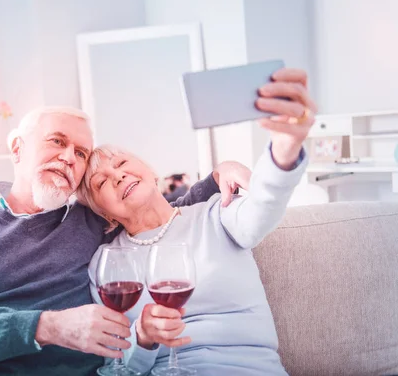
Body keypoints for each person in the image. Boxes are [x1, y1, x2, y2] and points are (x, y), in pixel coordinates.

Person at [0, 106, 250, 376]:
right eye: (57, 141)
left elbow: (156, 213)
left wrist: (219, 175)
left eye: (81, 153)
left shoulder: (90, 220)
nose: (69, 157)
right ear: (17, 148)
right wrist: (48, 327)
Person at [80, 68, 316, 375]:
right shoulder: (106, 263)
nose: (117, 175)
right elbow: (116, 366)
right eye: (101, 183)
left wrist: (285, 147)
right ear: (104, 212)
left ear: (151, 172)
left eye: (121, 163)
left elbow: (264, 206)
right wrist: (143, 338)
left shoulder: (216, 214)